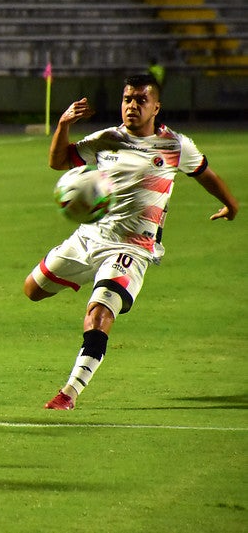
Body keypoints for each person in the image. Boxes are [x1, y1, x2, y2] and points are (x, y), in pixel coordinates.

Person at [23, 74, 238, 410]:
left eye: (140, 100)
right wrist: (63, 124)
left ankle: (69, 392)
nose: (132, 106)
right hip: (88, 238)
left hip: (131, 248)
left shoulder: (175, 146)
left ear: (156, 107)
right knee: (32, 290)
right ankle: (93, 279)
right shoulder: (106, 139)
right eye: (127, 99)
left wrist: (231, 205)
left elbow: (205, 174)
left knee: (99, 313)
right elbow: (58, 161)